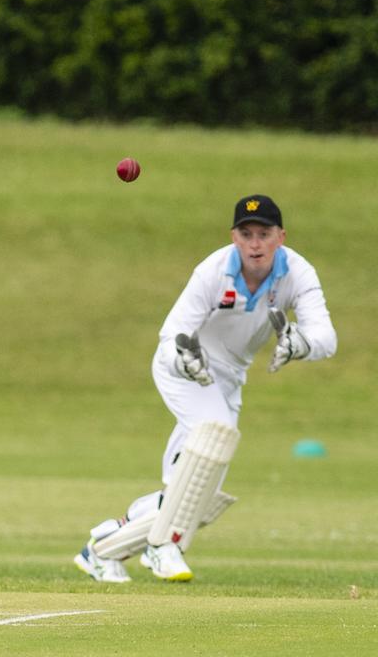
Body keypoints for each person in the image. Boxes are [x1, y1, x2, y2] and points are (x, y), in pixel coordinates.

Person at [74, 195, 336, 583]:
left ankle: (101, 548)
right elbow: (171, 334)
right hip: (183, 370)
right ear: (234, 236)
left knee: (200, 487)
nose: (255, 243)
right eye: (246, 234)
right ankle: (164, 547)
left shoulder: (297, 273)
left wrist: (301, 344)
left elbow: (326, 338)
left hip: (229, 377)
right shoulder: (213, 271)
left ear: (281, 236)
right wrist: (185, 358)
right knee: (213, 439)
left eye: (264, 234)